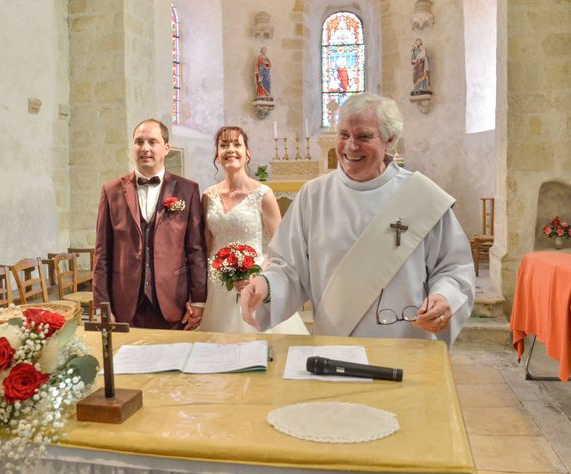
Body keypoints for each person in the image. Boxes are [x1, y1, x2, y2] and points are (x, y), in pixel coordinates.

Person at [240, 93, 474, 346]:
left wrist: (445, 297)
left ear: (390, 140)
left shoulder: (421, 196)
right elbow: (289, 268)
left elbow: (453, 268)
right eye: (343, 135)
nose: (350, 146)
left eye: (363, 136)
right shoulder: (314, 195)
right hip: (334, 347)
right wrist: (266, 285)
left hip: (406, 346)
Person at [93, 119, 207, 330]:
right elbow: (102, 255)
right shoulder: (112, 191)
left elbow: (196, 251)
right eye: (139, 142)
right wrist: (102, 306)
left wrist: (199, 300)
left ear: (166, 148)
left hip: (173, 303)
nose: (145, 148)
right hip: (125, 305)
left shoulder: (187, 190)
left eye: (152, 142)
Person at [200, 126, 309, 335]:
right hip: (217, 283)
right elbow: (207, 243)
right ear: (217, 155)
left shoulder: (263, 194)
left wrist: (256, 274)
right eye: (224, 145)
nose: (230, 149)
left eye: (236, 144)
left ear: (247, 154)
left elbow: (280, 245)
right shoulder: (208, 196)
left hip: (253, 278)